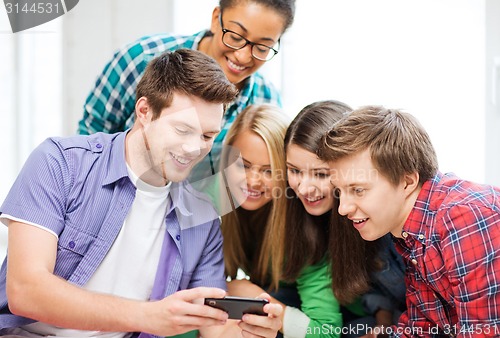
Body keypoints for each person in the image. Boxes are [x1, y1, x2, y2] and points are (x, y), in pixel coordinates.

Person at [0, 49, 283, 338]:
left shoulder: (203, 216)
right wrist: (147, 316)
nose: (194, 148)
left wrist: (257, 330)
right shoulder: (61, 163)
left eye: (208, 136)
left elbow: (214, 329)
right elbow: (25, 291)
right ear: (145, 111)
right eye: (183, 129)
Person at [320, 105, 500, 337]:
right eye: (340, 191)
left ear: (407, 182)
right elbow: (420, 327)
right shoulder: (412, 234)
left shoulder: (462, 218)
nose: (343, 208)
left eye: (358, 190)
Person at [78, 0, 296, 184]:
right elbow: (92, 134)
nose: (242, 56)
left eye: (261, 48)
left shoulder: (266, 102)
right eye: (236, 37)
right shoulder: (141, 57)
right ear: (216, 17)